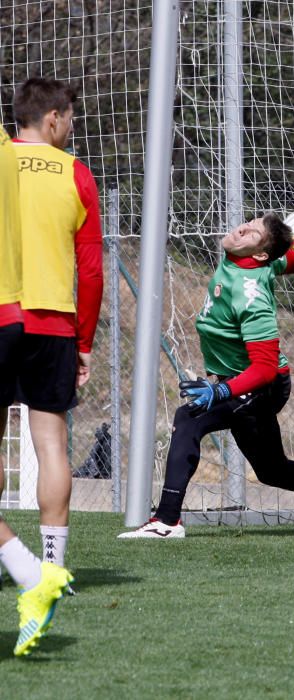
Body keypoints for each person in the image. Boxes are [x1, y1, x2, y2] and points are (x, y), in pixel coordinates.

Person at [118, 213, 294, 540]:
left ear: (259, 254)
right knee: (273, 471)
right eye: (249, 223)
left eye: (252, 233)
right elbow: (287, 261)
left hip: (261, 385)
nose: (242, 228)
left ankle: (166, 522)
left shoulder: (252, 297)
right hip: (242, 382)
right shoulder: (254, 261)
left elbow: (265, 368)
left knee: (189, 418)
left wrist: (219, 393)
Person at [10, 77, 103, 569]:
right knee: (51, 444)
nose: (71, 128)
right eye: (70, 119)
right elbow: (90, 270)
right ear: (53, 118)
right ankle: (52, 565)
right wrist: (84, 342)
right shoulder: (76, 174)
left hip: (2, 316)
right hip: (53, 325)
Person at [0, 124, 73, 657]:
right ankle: (40, 570)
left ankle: (33, 575)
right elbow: (87, 266)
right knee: (51, 442)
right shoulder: (60, 169)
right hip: (41, 317)